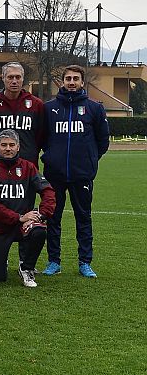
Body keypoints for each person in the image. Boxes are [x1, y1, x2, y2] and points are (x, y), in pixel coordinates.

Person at [42, 64, 109, 278]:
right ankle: (54, 261)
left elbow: (103, 141)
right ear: (62, 82)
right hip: (55, 174)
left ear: (82, 82)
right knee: (53, 218)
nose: (72, 82)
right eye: (68, 78)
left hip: (82, 175)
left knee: (84, 218)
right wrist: (53, 157)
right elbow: (43, 139)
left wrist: (88, 161)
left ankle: (85, 262)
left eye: (76, 79)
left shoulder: (94, 108)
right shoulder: (49, 108)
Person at [0, 130, 56, 288]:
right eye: (4, 145)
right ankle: (0, 261)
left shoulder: (28, 167)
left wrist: (42, 214)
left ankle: (26, 268)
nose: (8, 148)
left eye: (12, 145)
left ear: (18, 147)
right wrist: (18, 217)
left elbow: (48, 191)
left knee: (39, 231)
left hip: (23, 225)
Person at [0, 61, 45, 165]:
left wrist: (30, 152)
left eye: (18, 77)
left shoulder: (36, 104)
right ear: (3, 78)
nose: (14, 81)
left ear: (23, 79)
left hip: (28, 164)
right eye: (10, 77)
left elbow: (41, 136)